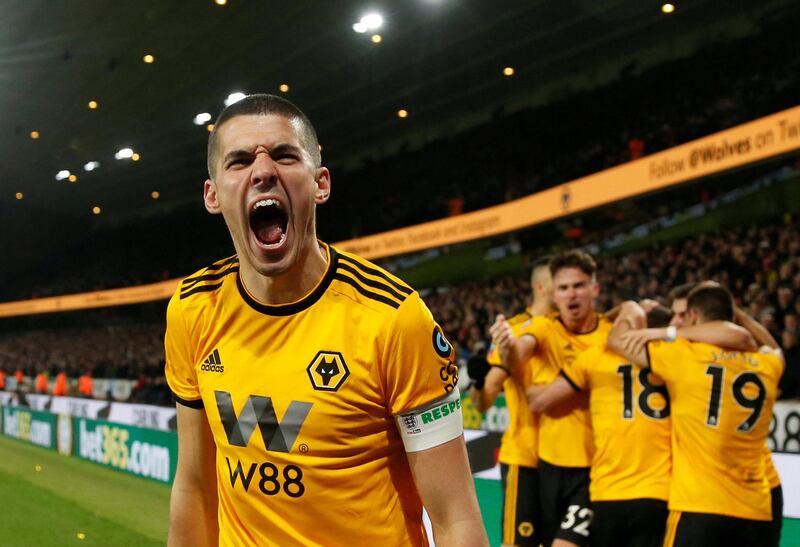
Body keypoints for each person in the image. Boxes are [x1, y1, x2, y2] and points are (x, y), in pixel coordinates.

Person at [164, 94, 487, 547]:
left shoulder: (394, 319)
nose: (262, 172)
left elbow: (456, 518)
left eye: (284, 155)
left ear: (321, 183)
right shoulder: (193, 308)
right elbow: (195, 487)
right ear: (212, 195)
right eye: (239, 161)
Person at [528, 305, 757, 547]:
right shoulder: (678, 357)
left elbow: (541, 400)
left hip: (607, 492)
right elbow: (741, 338)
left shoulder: (598, 354)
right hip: (660, 494)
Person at [608, 285, 784, 547]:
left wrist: (630, 308)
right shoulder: (767, 364)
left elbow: (616, 341)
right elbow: (773, 349)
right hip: (754, 507)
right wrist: (738, 317)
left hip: (700, 506)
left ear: (692, 316)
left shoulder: (684, 356)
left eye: (682, 316)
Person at [497, 249, 612, 547]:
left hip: (595, 468)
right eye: (563, 288)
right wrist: (507, 348)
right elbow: (518, 353)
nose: (571, 294)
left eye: (579, 285)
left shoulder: (612, 335)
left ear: (594, 289)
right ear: (553, 294)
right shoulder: (543, 328)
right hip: (548, 466)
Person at [468, 256, 553, 546]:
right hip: (527, 458)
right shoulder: (514, 331)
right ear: (542, 287)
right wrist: (478, 380)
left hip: (576, 460)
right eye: (562, 285)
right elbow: (483, 401)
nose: (571, 293)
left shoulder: (575, 329)